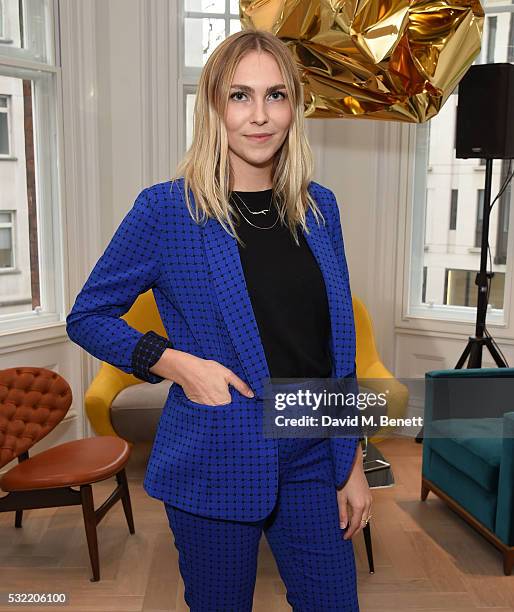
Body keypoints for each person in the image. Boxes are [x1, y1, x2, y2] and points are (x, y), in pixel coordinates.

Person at [66, 27, 372, 612]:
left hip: (311, 449)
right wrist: (177, 364)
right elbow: (88, 316)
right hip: (216, 459)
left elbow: (336, 349)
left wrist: (351, 460)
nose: (259, 115)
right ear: (213, 107)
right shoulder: (166, 210)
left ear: (294, 109)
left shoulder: (320, 207)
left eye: (275, 96)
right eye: (239, 96)